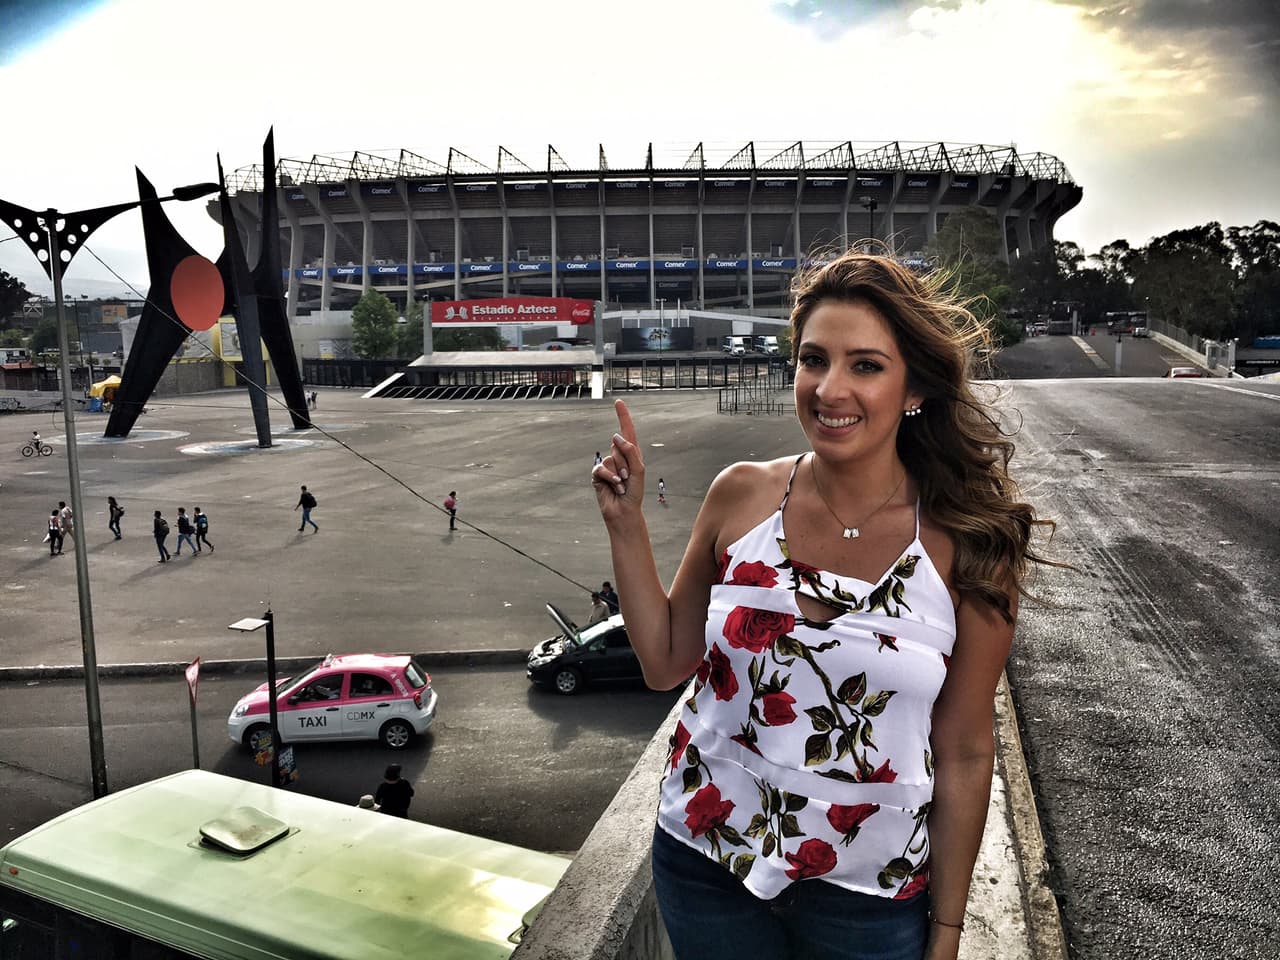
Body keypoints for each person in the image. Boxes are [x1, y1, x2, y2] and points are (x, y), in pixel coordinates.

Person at [590, 252, 1057, 960]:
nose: (830, 389)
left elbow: (965, 749)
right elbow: (663, 662)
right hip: (706, 863)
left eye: (865, 365)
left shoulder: (970, 543)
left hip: (869, 896)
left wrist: (946, 931)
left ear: (914, 387)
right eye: (814, 360)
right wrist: (626, 525)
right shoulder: (741, 495)